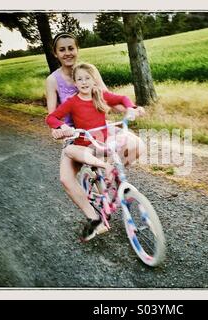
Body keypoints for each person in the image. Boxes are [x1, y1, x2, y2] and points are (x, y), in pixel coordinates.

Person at [45, 36, 145, 241]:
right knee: (65, 178)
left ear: (77, 49)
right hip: (76, 135)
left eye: (71, 48)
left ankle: (112, 179)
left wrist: (131, 109)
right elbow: (53, 115)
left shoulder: (89, 72)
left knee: (137, 145)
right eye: (62, 50)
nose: (67, 53)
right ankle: (95, 219)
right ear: (56, 53)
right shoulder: (53, 80)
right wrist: (60, 129)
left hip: (100, 128)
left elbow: (107, 97)